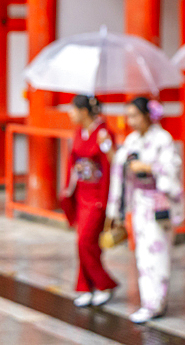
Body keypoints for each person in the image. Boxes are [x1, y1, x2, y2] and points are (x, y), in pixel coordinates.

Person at [107, 97, 185, 324]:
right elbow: (119, 169)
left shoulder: (163, 139)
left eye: (134, 115)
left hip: (159, 201)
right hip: (140, 203)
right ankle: (149, 302)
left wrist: (149, 167)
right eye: (128, 116)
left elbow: (172, 168)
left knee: (157, 253)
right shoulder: (132, 140)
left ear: (147, 116)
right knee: (143, 254)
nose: (130, 121)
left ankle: (155, 303)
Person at [63, 94, 118, 308]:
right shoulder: (79, 132)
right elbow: (73, 160)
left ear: (85, 111)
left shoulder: (104, 133)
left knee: (85, 241)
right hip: (82, 194)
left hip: (97, 196)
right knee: (85, 243)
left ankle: (104, 284)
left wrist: (108, 203)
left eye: (73, 109)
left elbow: (111, 166)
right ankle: (86, 286)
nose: (70, 113)